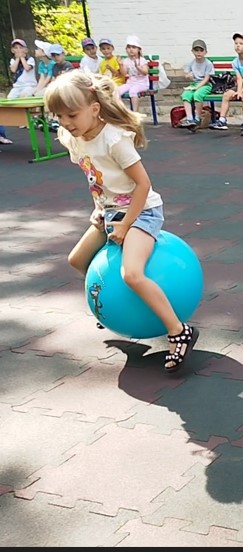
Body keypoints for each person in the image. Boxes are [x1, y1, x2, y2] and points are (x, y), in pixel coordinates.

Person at [45, 71, 200, 373]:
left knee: (132, 274)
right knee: (77, 260)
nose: (65, 122)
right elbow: (95, 178)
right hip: (110, 211)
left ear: (94, 108)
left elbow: (143, 185)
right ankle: (113, 306)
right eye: (59, 116)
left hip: (142, 212)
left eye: (71, 115)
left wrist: (127, 224)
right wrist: (98, 208)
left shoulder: (114, 140)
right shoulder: (73, 137)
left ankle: (178, 331)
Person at [210, 33, 243, 135]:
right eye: (236, 43)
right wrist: (238, 91)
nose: (238, 45)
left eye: (241, 43)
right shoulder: (235, 62)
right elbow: (239, 78)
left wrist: (241, 91)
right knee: (226, 95)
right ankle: (222, 120)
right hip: (242, 84)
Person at [178, 39, 215, 129]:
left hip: (205, 85)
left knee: (197, 95)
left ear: (205, 52)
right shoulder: (191, 63)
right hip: (194, 84)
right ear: (192, 51)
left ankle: (197, 118)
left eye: (201, 50)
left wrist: (197, 87)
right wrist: (188, 76)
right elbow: (186, 74)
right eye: (196, 50)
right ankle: (190, 118)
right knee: (186, 95)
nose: (198, 53)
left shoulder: (208, 64)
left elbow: (206, 79)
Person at [117, 35, 149, 112]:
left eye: (134, 47)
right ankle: (122, 111)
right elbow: (124, 73)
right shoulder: (126, 60)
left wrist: (138, 67)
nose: (131, 49)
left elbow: (145, 72)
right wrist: (121, 65)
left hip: (142, 83)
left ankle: (135, 113)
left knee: (133, 91)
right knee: (117, 91)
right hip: (130, 83)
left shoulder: (142, 60)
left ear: (138, 49)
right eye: (129, 47)